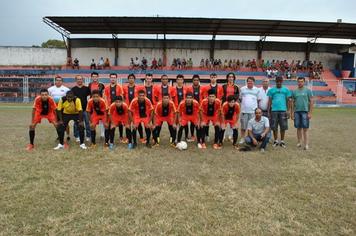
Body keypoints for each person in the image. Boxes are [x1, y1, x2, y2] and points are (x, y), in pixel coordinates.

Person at [267, 76, 292, 148]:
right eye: (277, 82)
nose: (279, 83)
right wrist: (269, 111)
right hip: (274, 110)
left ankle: (282, 141)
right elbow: (269, 101)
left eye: (280, 82)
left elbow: (288, 100)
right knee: (274, 127)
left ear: (282, 82)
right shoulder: (272, 90)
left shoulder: (286, 90)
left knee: (283, 126)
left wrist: (288, 110)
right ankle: (275, 141)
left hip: (283, 110)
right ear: (275, 82)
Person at [291, 77, 313, 150]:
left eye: (301, 81)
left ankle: (306, 144)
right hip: (297, 112)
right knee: (298, 128)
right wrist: (292, 113)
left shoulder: (308, 91)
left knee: (305, 128)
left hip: (305, 111)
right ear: (297, 82)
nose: (300, 83)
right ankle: (299, 142)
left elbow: (311, 102)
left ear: (304, 82)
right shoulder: (294, 91)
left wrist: (310, 112)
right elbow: (293, 103)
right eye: (299, 81)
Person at [239, 77, 261, 144]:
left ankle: (249, 138)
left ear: (254, 82)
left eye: (251, 81)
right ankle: (242, 138)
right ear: (246, 82)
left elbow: (258, 100)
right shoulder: (242, 89)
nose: (250, 82)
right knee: (243, 126)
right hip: (244, 111)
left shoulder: (257, 90)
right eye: (248, 81)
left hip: (253, 112)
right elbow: (240, 99)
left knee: (251, 127)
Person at [48, 75, 70, 141]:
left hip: (63, 109)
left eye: (60, 80)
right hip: (54, 109)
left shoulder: (66, 89)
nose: (58, 81)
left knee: (65, 123)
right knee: (56, 123)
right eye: (57, 80)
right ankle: (60, 135)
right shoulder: (50, 89)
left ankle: (68, 135)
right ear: (55, 81)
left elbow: (69, 99)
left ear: (62, 81)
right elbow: (48, 99)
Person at [71, 75, 91, 142]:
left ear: (83, 80)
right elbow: (72, 100)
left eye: (80, 79)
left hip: (85, 109)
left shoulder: (87, 88)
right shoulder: (73, 89)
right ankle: (77, 136)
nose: (79, 80)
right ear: (76, 80)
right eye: (78, 79)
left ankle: (88, 136)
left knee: (87, 123)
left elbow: (89, 98)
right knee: (76, 124)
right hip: (77, 110)